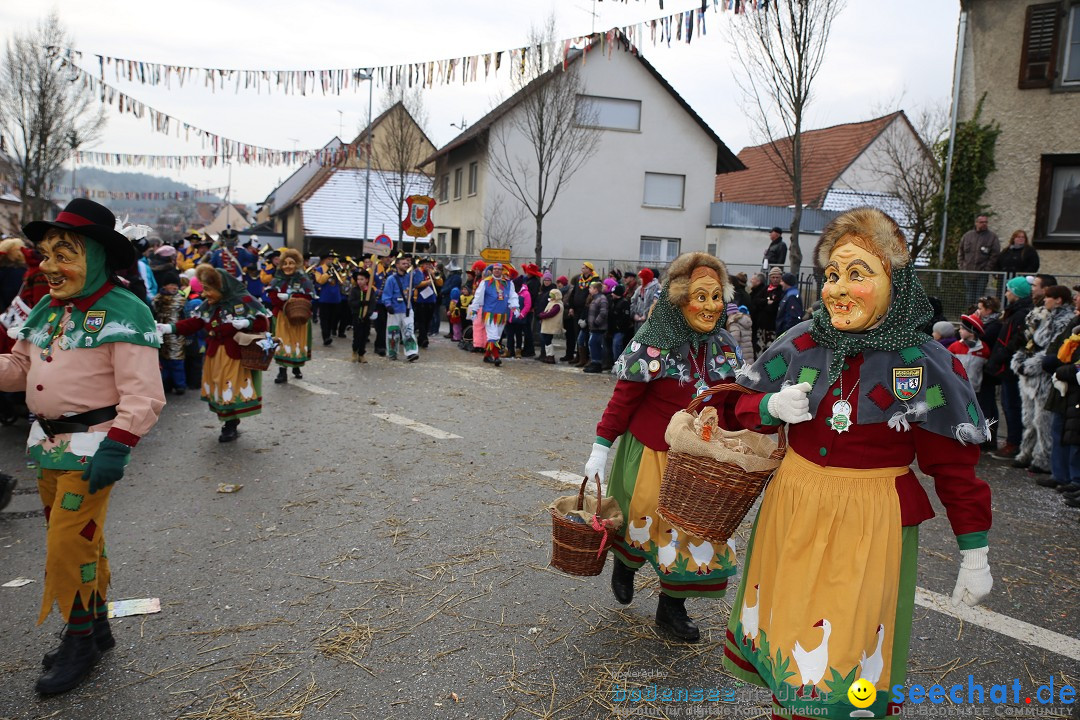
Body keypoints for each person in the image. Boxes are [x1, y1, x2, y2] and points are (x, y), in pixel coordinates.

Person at [719, 207, 992, 720]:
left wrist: (973, 549)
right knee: (792, 635)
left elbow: (953, 466)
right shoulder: (802, 341)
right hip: (794, 506)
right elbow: (737, 407)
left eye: (858, 274)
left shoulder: (922, 361)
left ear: (894, 279)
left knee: (841, 647)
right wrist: (770, 407)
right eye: (832, 275)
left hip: (869, 522)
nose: (839, 288)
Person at [0, 198, 165, 695]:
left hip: (93, 445)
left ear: (93, 255)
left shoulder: (126, 310)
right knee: (81, 538)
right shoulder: (50, 309)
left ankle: (79, 640)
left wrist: (118, 445)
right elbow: (21, 371)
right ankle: (96, 625)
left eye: (62, 253)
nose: (48, 266)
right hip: (47, 446)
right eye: (45, 254)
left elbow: (145, 395)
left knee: (66, 543)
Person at [583, 252, 742, 643]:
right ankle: (626, 563)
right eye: (700, 296)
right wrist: (601, 446)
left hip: (700, 460)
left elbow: (734, 403)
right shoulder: (653, 341)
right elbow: (624, 398)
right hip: (652, 450)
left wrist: (758, 428)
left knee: (689, 535)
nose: (710, 306)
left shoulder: (723, 344)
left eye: (716, 297)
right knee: (641, 524)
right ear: (680, 298)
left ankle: (672, 608)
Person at [161, 265, 270, 441]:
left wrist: (246, 323)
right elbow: (193, 323)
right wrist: (169, 327)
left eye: (209, 289)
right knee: (219, 387)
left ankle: (231, 424)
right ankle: (228, 421)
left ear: (221, 288)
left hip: (233, 354)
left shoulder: (243, 301)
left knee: (230, 388)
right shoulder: (208, 306)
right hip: (214, 354)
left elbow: (263, 322)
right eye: (204, 288)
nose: (205, 294)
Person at [987, 277, 1034, 459]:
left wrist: (1001, 355)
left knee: (1012, 405)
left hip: (1010, 366)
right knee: (1009, 405)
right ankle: (1013, 442)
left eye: (1009, 290)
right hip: (1006, 364)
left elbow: (1014, 339)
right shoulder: (1015, 312)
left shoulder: (1020, 314)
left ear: (1016, 292)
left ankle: (1014, 443)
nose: (1006, 293)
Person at [266, 248, 314, 383]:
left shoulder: (304, 279)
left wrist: (291, 297)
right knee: (282, 342)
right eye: (285, 263)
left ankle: (296, 367)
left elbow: (308, 296)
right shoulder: (277, 279)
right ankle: (282, 371)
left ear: (297, 264)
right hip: (282, 316)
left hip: (299, 316)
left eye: (291, 263)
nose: (288, 266)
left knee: (297, 342)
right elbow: (272, 296)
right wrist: (284, 305)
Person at [468, 262, 519, 367]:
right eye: (495, 269)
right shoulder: (485, 282)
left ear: (502, 271)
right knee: (493, 336)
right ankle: (496, 357)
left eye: (499, 269)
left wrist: (515, 307)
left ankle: (487, 356)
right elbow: (478, 296)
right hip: (489, 314)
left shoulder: (508, 283)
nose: (497, 271)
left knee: (497, 337)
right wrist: (474, 309)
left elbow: (512, 296)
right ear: (492, 270)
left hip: (502, 315)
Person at [381, 253, 424, 362]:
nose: (406, 265)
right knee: (393, 333)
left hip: (407, 309)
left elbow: (419, 279)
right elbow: (386, 294)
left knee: (409, 331)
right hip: (394, 310)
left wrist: (416, 267)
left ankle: (412, 353)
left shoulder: (409, 278)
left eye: (407, 263)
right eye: (403, 263)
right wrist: (388, 305)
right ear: (397, 265)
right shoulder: (391, 279)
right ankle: (392, 352)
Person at [153, 268, 188, 395]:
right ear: (164, 286)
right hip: (161, 334)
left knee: (177, 361)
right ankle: (166, 385)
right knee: (164, 361)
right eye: (171, 285)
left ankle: (180, 385)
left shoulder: (182, 300)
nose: (174, 287)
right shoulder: (157, 300)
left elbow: (186, 317)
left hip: (177, 334)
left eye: (176, 285)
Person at [957, 214, 1000, 307]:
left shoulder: (992, 237)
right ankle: (969, 315)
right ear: (976, 223)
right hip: (968, 271)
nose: (984, 224)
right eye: (981, 222)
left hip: (982, 273)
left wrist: (987, 269)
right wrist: (962, 267)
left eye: (986, 222)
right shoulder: (967, 236)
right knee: (969, 296)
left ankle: (977, 316)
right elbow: (960, 252)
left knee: (979, 297)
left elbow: (994, 255)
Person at [565, 262, 598, 366]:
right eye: (582, 268)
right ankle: (579, 356)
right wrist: (571, 306)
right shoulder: (579, 279)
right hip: (577, 310)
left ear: (589, 269)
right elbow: (573, 293)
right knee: (577, 333)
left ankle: (587, 357)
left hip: (587, 311)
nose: (582, 270)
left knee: (586, 334)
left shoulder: (594, 280)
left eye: (584, 268)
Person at [313, 251, 345, 346]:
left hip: (336, 298)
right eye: (329, 259)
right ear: (324, 260)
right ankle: (326, 337)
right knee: (324, 319)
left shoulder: (336, 269)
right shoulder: (319, 269)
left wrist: (342, 274)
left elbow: (342, 281)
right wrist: (329, 272)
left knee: (332, 318)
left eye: (332, 259)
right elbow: (320, 281)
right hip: (324, 298)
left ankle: (329, 333)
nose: (331, 261)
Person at [348, 269, 375, 363]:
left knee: (365, 336)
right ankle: (354, 351)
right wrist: (361, 303)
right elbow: (351, 302)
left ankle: (361, 354)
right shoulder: (355, 290)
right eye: (358, 279)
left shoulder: (370, 290)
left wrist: (369, 312)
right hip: (357, 316)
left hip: (366, 317)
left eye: (362, 279)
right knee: (357, 335)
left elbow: (372, 303)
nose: (359, 281)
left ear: (367, 280)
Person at [412, 257, 438, 349]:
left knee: (428, 320)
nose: (428, 266)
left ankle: (422, 338)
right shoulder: (418, 272)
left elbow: (440, 283)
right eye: (426, 264)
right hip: (421, 300)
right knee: (421, 320)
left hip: (431, 300)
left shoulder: (432, 272)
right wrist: (427, 282)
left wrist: (434, 276)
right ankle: (424, 338)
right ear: (422, 264)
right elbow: (416, 284)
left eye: (429, 264)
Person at [583, 280, 609, 374]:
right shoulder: (594, 298)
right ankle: (594, 362)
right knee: (592, 344)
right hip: (593, 327)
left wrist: (596, 322)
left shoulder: (602, 299)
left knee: (594, 344)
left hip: (598, 327)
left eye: (591, 288)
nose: (589, 289)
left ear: (596, 289)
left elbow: (603, 313)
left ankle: (597, 363)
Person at [537, 287, 563, 365]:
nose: (550, 297)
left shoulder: (557, 304)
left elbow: (550, 313)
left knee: (547, 340)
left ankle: (551, 356)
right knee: (546, 340)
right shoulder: (552, 302)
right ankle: (548, 355)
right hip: (548, 324)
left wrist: (541, 315)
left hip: (551, 325)